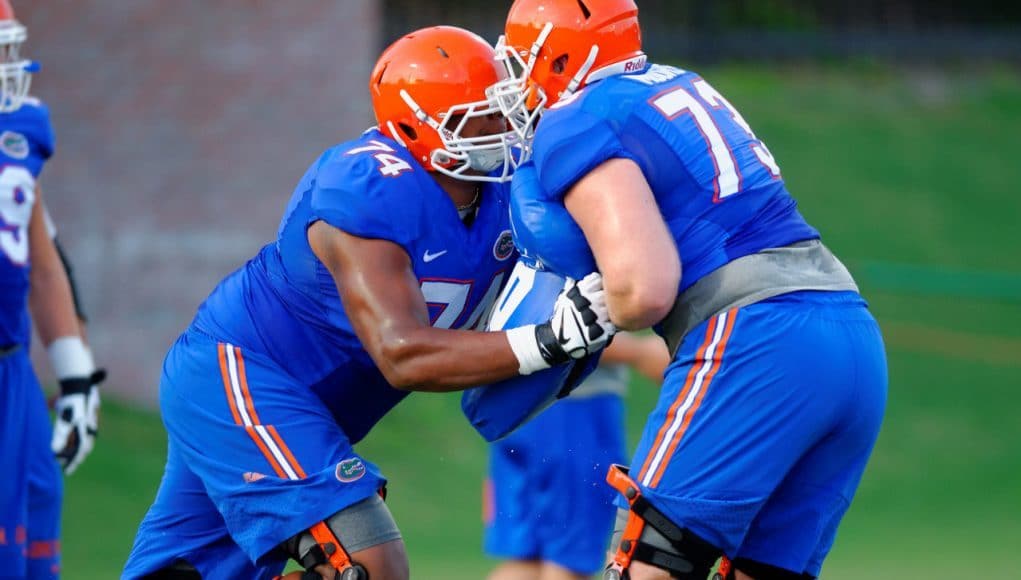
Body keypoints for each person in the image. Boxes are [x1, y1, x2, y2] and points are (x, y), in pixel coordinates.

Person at [122, 26, 614, 580]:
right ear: (416, 127)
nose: (501, 129)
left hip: (312, 406)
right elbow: (402, 353)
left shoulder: (507, 191)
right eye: (478, 116)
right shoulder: (364, 188)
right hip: (242, 375)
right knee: (365, 562)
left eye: (503, 110)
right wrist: (548, 340)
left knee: (185, 569)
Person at [494, 1, 888, 579]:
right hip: (849, 335)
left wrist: (582, 315)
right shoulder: (675, 82)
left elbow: (645, 289)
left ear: (555, 57)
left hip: (755, 337)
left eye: (522, 62)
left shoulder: (574, 117)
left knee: (644, 567)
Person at [0, 1, 104, 577]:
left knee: (35, 532)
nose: (7, 66)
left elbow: (40, 259)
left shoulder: (20, 127)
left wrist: (74, 373)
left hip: (12, 372)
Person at [485, 332, 669, 580]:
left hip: (514, 408)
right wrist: (640, 352)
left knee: (526, 561)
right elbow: (568, 327)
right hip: (575, 411)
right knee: (570, 561)